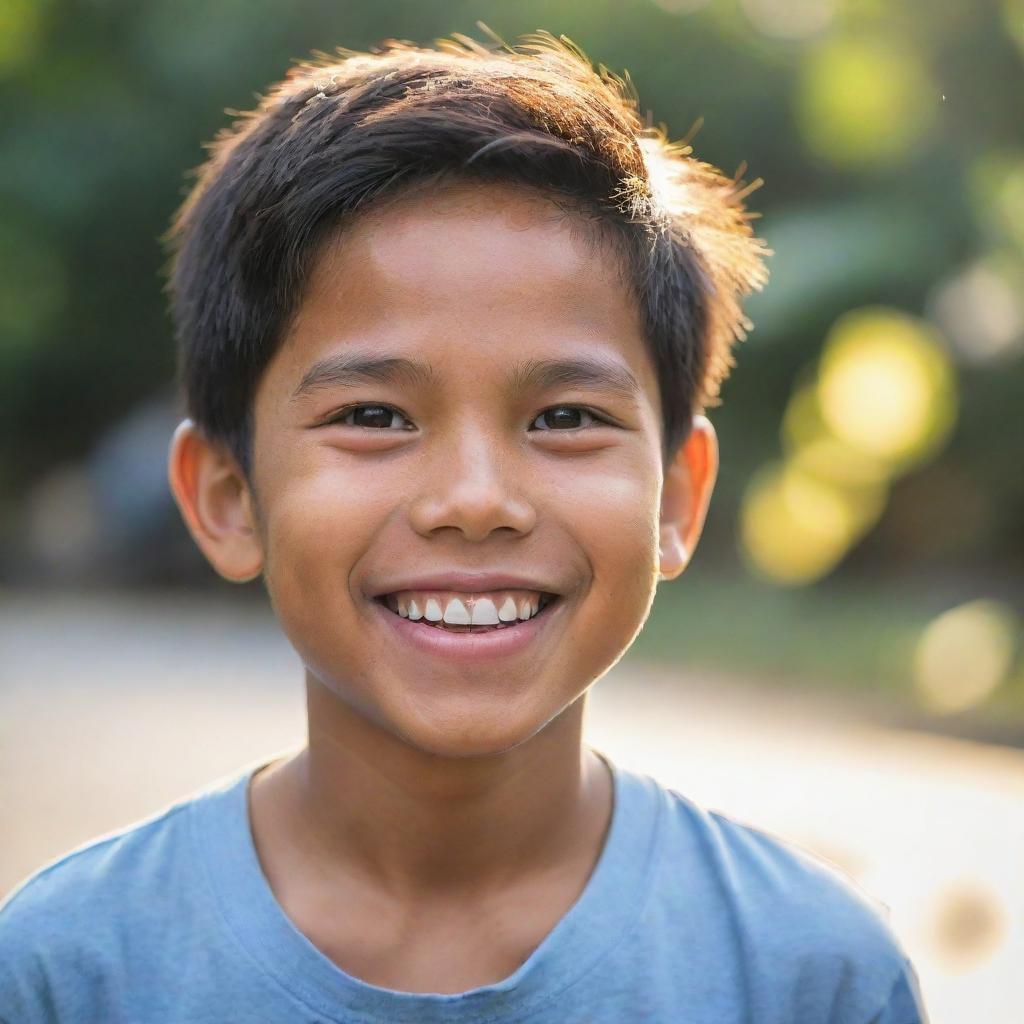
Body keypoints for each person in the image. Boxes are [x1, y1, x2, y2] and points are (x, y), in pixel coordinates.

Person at [0, 29, 928, 1023]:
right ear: (228, 497)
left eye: (565, 418)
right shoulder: (71, 971)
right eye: (373, 416)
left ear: (674, 496)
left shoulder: (805, 976)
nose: (476, 498)